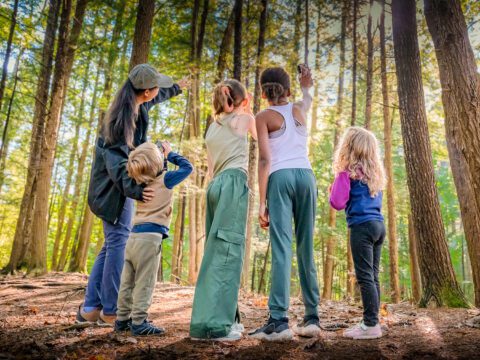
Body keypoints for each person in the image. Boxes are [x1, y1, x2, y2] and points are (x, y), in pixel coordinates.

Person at [76, 64, 189, 326]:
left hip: (118, 187)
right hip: (112, 192)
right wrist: (140, 191)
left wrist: (176, 88)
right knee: (119, 242)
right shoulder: (118, 124)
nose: (157, 91)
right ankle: (111, 310)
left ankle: (91, 308)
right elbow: (117, 169)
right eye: (157, 87)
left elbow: (157, 96)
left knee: (111, 243)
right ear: (146, 91)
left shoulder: (137, 102)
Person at [249, 65, 321, 341]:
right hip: (307, 176)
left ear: (263, 91)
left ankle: (278, 321)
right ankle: (312, 318)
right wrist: (306, 85)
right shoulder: (300, 110)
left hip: (280, 177)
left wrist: (261, 202)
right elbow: (307, 98)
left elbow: (265, 160)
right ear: (287, 89)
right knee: (306, 246)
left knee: (281, 248)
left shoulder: (263, 116)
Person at [189, 79, 257, 342]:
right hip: (231, 184)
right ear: (242, 100)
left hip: (215, 186)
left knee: (217, 251)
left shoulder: (212, 128)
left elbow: (210, 167)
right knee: (228, 252)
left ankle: (227, 318)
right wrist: (245, 106)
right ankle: (214, 327)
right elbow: (257, 130)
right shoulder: (242, 120)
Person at [114, 141, 193, 336]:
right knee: (145, 281)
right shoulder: (167, 179)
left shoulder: (139, 182)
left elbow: (153, 173)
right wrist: (171, 153)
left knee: (127, 281)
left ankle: (122, 319)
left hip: (133, 237)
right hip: (150, 239)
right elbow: (187, 168)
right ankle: (139, 321)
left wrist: (161, 159)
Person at [329, 126, 386, 340]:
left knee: (364, 278)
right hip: (379, 227)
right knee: (373, 276)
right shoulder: (374, 176)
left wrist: (334, 187)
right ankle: (373, 321)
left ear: (348, 148)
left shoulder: (347, 173)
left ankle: (371, 325)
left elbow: (337, 202)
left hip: (361, 228)